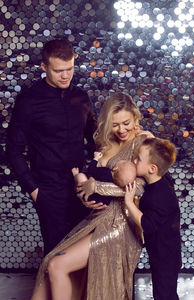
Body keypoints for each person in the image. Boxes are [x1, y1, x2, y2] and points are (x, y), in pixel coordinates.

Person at [31, 92, 153, 300]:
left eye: (126, 123)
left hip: (121, 224)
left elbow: (140, 187)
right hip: (95, 218)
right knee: (49, 264)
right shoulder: (105, 142)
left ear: (135, 117)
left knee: (57, 265)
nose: (121, 130)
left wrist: (96, 187)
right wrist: (84, 194)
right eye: (115, 124)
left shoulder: (144, 141)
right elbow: (88, 182)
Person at [6, 39, 96, 255]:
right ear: (44, 67)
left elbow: (95, 140)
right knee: (56, 256)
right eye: (58, 71)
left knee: (84, 255)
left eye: (70, 69)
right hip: (48, 190)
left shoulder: (81, 97)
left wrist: (93, 177)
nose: (66, 76)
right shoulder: (28, 100)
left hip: (81, 187)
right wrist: (35, 191)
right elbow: (13, 150)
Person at [124, 137, 182, 300]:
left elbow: (147, 225)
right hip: (162, 253)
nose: (134, 161)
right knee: (166, 294)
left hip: (165, 257)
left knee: (164, 295)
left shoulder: (160, 195)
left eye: (139, 159)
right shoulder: (159, 184)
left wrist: (129, 202)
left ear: (152, 168)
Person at [72, 151, 138, 188]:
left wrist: (96, 158)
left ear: (115, 168)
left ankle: (75, 175)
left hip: (89, 195)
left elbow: (91, 170)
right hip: (101, 202)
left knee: (81, 176)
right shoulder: (114, 184)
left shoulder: (105, 172)